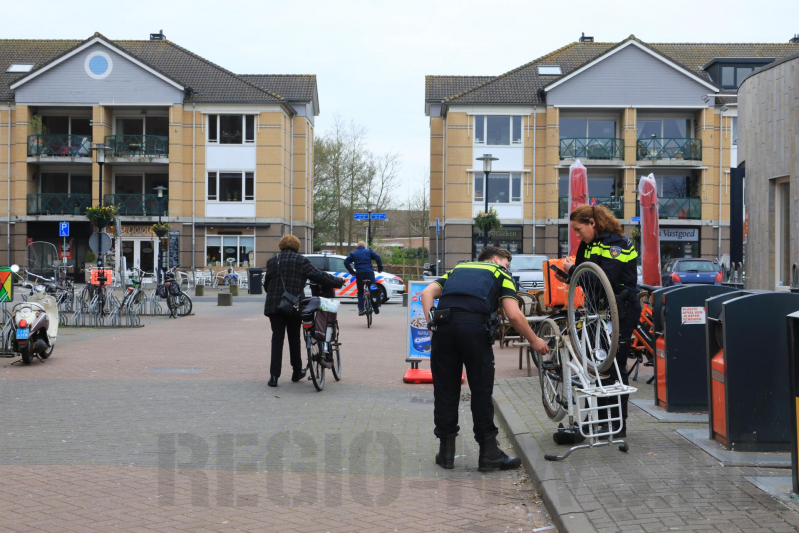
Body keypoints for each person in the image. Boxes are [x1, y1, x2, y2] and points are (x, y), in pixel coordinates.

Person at [421, 246, 550, 471]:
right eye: (507, 263)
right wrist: (534, 340)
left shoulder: (457, 270)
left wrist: (432, 327)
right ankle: (489, 454)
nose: (507, 267)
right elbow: (513, 314)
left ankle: (446, 453)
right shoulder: (500, 273)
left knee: (445, 391)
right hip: (474, 331)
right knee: (481, 391)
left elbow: (426, 294)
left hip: (444, 330)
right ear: (498, 259)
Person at [561, 205, 640, 438]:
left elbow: (602, 279)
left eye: (578, 229)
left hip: (620, 311)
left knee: (614, 367)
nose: (577, 235)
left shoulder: (617, 245)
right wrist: (569, 275)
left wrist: (573, 270)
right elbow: (585, 279)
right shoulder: (588, 244)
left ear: (592, 223)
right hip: (597, 311)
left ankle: (617, 425)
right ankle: (600, 418)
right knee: (597, 367)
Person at [263, 235, 344, 387]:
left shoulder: (273, 261)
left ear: (281, 246)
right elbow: (318, 275)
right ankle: (296, 371)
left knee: (277, 339)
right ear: (297, 246)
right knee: (294, 338)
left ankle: (274, 377)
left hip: (274, 306)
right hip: (293, 305)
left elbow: (266, 285)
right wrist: (337, 282)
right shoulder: (301, 261)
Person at [343, 241, 384, 316]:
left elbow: (346, 262)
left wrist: (352, 271)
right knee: (373, 289)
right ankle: (376, 306)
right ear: (364, 247)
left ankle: (361, 309)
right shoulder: (368, 252)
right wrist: (380, 267)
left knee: (361, 292)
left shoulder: (353, 253)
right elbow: (378, 257)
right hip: (369, 273)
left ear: (357, 247)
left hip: (359, 274)